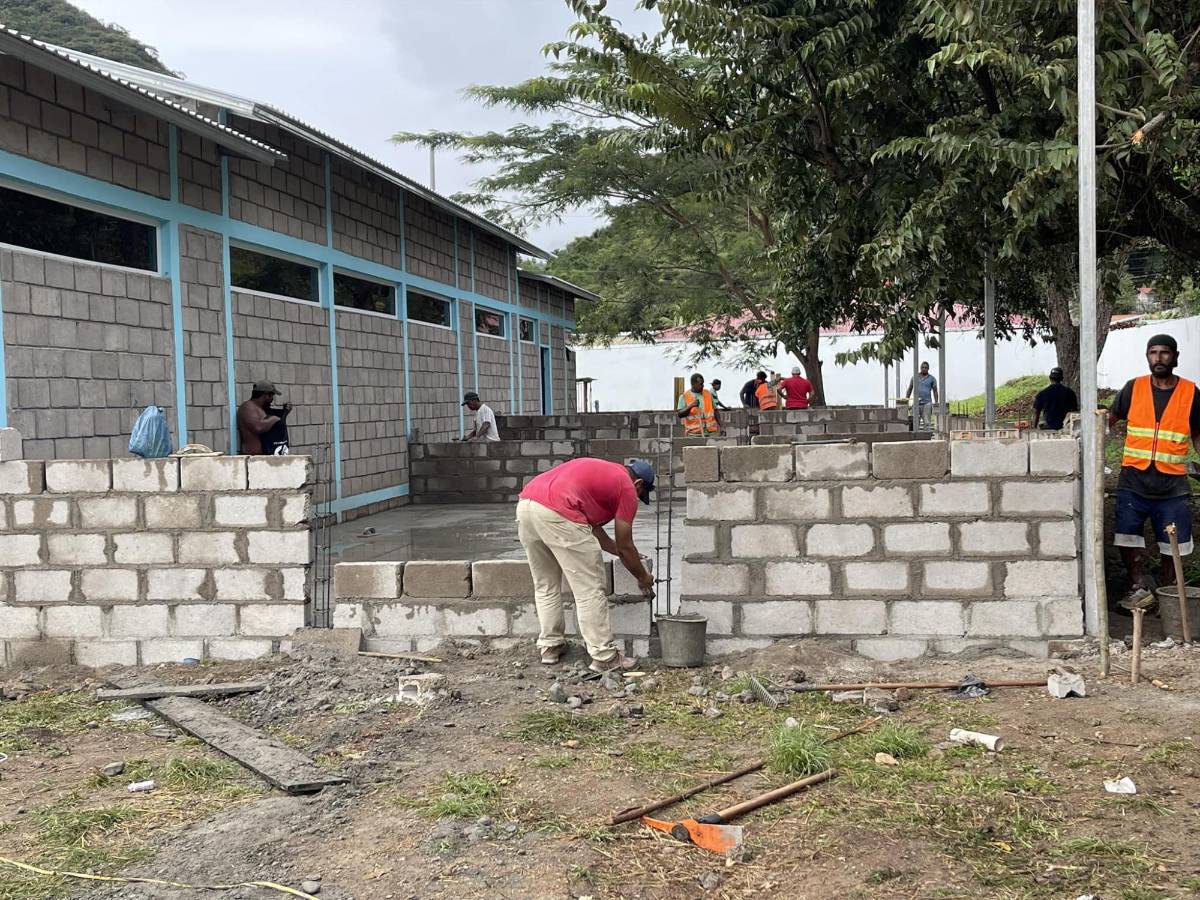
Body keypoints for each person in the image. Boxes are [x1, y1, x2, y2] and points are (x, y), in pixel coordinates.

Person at [517, 457, 656, 672]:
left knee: (545, 584)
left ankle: (550, 646)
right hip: (559, 511)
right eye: (640, 494)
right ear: (638, 484)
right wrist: (642, 576)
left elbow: (595, 530)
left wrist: (622, 552)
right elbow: (625, 544)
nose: (637, 498)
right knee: (589, 588)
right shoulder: (627, 487)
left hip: (527, 505)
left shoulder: (603, 472)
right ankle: (604, 656)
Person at [1109, 334, 1200, 597]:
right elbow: (1110, 420)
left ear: (1175, 357)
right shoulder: (1133, 388)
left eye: (1164, 353)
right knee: (1126, 536)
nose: (1158, 358)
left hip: (1172, 485)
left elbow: (1197, 432)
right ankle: (1137, 584)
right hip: (1133, 481)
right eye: (1153, 353)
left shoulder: (1190, 392)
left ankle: (1168, 591)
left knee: (1175, 543)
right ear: (1147, 356)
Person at [236, 380, 291, 455]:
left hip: (266, 459)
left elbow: (274, 425)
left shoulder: (262, 409)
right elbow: (258, 427)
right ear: (266, 395)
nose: (272, 400)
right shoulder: (248, 407)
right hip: (253, 458)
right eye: (272, 396)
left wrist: (284, 413)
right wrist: (275, 418)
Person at [905, 362, 939, 431]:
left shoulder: (932, 379)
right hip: (916, 403)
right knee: (915, 422)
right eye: (922, 367)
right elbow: (909, 389)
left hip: (927, 403)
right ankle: (915, 437)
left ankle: (926, 438)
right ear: (920, 368)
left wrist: (936, 402)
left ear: (928, 369)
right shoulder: (915, 377)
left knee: (927, 422)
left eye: (925, 368)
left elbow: (935, 391)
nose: (924, 369)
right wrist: (906, 401)